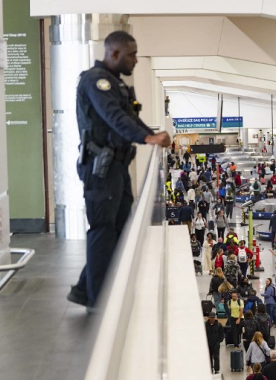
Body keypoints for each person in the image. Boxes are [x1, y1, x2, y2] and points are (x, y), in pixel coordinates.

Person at [67, 31, 171, 311]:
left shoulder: (115, 84)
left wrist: (152, 133)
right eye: (132, 54)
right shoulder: (95, 82)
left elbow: (130, 117)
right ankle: (97, 301)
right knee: (102, 230)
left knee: (117, 229)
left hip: (117, 168)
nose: (136, 60)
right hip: (101, 169)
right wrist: (148, 139)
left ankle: (82, 289)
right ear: (114, 53)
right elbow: (113, 118)